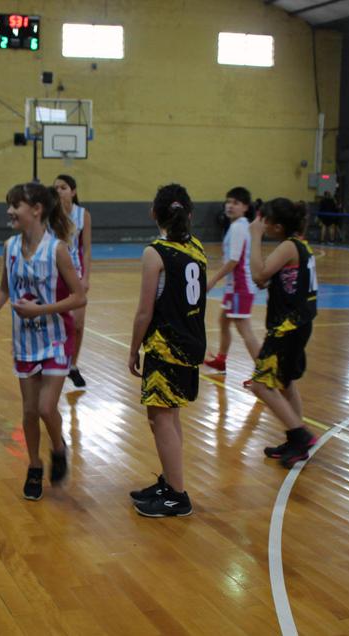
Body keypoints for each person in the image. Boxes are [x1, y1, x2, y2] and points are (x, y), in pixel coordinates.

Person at [0, 183, 85, 501]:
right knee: (30, 412)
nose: (9, 211)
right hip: (25, 344)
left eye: (15, 205)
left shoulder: (56, 249)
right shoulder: (10, 247)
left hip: (55, 339)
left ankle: (58, 447)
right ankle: (34, 465)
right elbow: (4, 290)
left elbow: (79, 296)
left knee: (47, 407)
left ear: (36, 209)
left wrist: (40, 309)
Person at [127, 184, 206, 517]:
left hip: (166, 346)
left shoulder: (155, 252)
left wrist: (133, 350)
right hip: (191, 342)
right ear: (188, 214)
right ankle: (170, 481)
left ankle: (177, 494)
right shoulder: (198, 248)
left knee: (162, 419)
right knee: (167, 416)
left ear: (153, 213)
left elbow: (145, 311)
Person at [244, 198, 319, 468]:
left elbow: (258, 274)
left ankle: (300, 435)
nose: (262, 224)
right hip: (298, 324)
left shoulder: (288, 246)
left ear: (276, 226)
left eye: (265, 221)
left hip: (289, 326)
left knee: (260, 384)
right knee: (285, 382)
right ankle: (294, 438)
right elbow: (270, 280)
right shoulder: (300, 244)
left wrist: (254, 236)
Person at [204, 187, 260, 374]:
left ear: (245, 207)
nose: (230, 206)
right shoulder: (239, 225)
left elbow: (234, 261)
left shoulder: (238, 227)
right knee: (224, 321)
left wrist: (212, 281)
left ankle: (263, 373)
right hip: (234, 287)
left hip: (240, 288)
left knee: (245, 330)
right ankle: (221, 360)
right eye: (228, 202)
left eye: (235, 202)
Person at [52, 174, 92, 389]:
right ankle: (51, 363)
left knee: (78, 323)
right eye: (56, 187)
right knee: (54, 323)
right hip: (52, 273)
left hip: (75, 273)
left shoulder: (82, 214)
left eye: (63, 187)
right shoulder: (48, 214)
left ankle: (73, 366)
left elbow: (86, 249)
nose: (59, 190)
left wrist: (86, 277)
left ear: (73, 191)